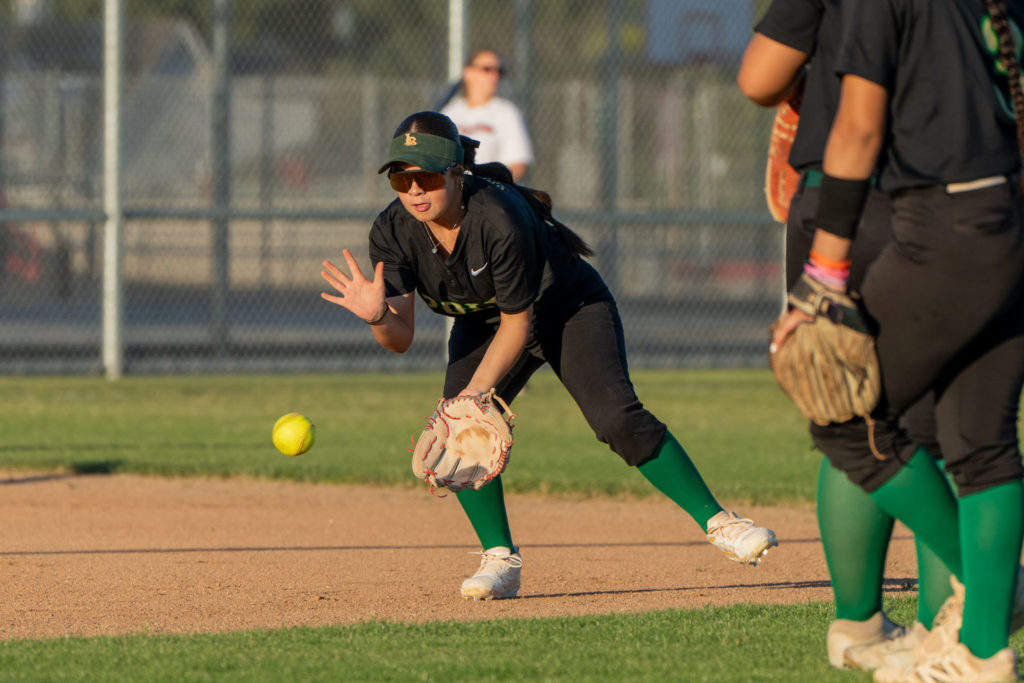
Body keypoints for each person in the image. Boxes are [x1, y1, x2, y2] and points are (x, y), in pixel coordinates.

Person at [320, 110, 777, 600]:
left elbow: (520, 324)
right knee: (459, 435)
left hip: (567, 308)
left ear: (456, 173)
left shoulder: (497, 217)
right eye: (399, 177)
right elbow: (401, 337)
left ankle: (720, 523)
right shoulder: (394, 231)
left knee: (615, 419)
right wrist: (377, 318)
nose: (413, 189)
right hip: (486, 322)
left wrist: (472, 398)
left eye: (426, 175)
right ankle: (499, 559)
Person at [769, 1, 1024, 680]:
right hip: (1010, 214)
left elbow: (856, 128)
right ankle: (980, 651)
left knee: (843, 413)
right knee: (983, 442)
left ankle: (997, 592)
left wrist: (823, 280)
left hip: (942, 224)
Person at [737, 0, 955, 671]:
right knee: (938, 424)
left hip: (832, 198)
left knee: (847, 403)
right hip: (939, 197)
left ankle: (858, 624)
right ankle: (955, 617)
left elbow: (758, 78)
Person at [441, 50, 534, 181]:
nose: (495, 75)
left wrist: (487, 185)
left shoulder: (507, 112)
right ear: (468, 72)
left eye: (499, 71)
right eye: (487, 69)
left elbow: (519, 164)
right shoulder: (450, 112)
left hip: (489, 194)